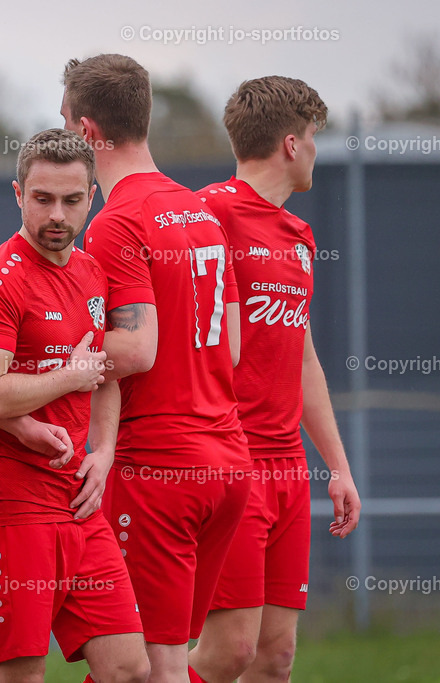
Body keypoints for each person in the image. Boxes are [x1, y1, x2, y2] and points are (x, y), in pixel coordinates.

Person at [61, 53, 252, 683]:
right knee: (137, 664)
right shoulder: (200, 213)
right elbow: (230, 351)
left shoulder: (116, 222)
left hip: (161, 468)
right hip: (227, 460)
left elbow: (138, 349)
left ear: (88, 131)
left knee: (154, 669)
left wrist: (45, 362)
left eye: (65, 123)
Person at [0, 128, 149, 683]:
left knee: (130, 670)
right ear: (18, 195)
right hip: (9, 504)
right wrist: (70, 374)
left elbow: (104, 374)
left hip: (79, 504)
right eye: (42, 199)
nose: (57, 214)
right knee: (14, 673)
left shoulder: (93, 272)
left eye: (71, 199)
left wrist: (106, 449)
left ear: (93, 196)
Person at [188, 76, 362, 683]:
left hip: (288, 466)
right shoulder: (206, 214)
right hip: (229, 461)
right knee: (227, 652)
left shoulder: (299, 235)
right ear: (291, 143)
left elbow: (302, 355)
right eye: (314, 136)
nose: (316, 149)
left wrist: (336, 465)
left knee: (275, 657)